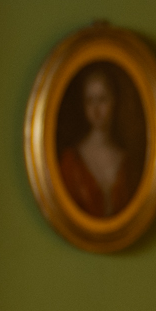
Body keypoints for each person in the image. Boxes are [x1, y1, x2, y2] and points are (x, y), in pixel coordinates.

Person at [58, 64, 138, 218]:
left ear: (114, 101)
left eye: (102, 99)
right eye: (90, 100)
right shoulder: (71, 160)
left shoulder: (127, 162)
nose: (96, 109)